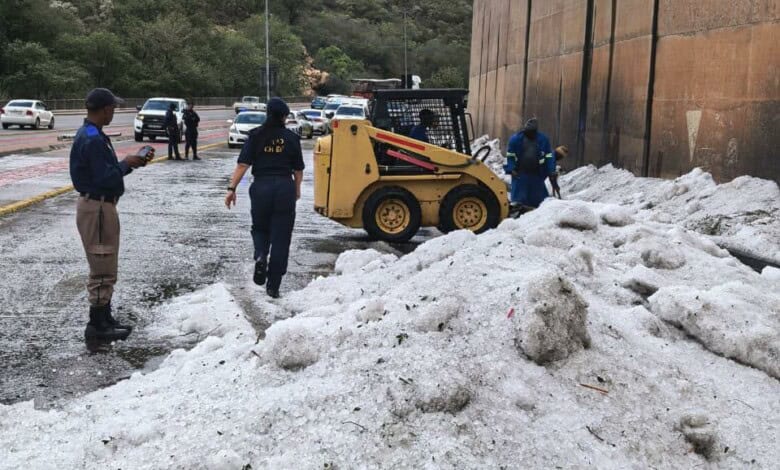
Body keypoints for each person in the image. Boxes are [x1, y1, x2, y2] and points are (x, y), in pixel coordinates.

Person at [70, 88, 148, 341]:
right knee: (102, 264)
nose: (114, 111)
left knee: (105, 263)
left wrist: (127, 164)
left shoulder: (92, 134)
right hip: (98, 207)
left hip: (100, 205)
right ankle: (97, 325)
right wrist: (127, 164)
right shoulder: (92, 139)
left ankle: (104, 317)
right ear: (104, 109)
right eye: (113, 108)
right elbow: (104, 177)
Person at [225, 98, 304, 299]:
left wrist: (231, 188)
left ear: (267, 114)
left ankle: (261, 254)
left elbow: (243, 164)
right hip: (284, 187)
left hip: (261, 187)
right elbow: (298, 170)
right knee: (281, 237)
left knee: (259, 228)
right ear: (284, 117)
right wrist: (296, 190)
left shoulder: (256, 136)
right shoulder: (291, 138)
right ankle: (273, 286)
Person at [504, 118, 554, 208]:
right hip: (520, 174)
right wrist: (512, 168)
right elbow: (510, 156)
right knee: (519, 201)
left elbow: (549, 156)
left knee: (540, 201)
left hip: (537, 174)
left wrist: (551, 170)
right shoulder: (515, 139)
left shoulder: (543, 140)